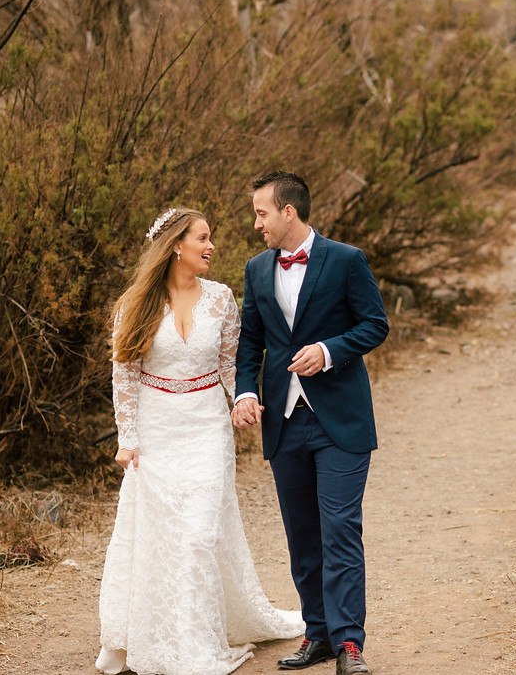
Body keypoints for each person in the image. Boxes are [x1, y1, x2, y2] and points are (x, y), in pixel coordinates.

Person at [95, 208, 304, 675]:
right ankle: (153, 634)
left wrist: (242, 399)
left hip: (208, 426)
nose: (211, 247)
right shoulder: (136, 304)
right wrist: (127, 438)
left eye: (211, 239)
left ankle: (194, 642)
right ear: (175, 246)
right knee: (160, 535)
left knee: (200, 534)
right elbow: (124, 373)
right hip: (156, 430)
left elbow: (233, 363)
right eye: (203, 238)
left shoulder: (221, 298)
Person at [231, 172, 389, 675]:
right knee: (302, 534)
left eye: (261, 213)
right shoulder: (257, 270)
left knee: (340, 529)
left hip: (339, 419)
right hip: (283, 420)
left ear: (288, 213)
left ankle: (349, 646)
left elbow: (374, 324)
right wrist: (248, 390)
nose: (256, 223)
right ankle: (317, 634)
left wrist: (328, 351)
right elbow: (250, 342)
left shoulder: (346, 260)